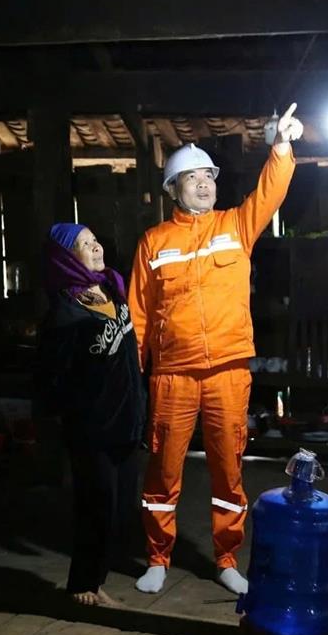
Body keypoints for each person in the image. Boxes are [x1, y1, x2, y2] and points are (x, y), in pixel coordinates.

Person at [128, 103, 304, 595]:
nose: (204, 184)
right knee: (163, 472)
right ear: (173, 189)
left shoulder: (236, 226)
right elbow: (138, 316)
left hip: (228, 370)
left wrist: (281, 147)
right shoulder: (153, 242)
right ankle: (157, 559)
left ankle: (227, 560)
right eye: (192, 178)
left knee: (229, 471)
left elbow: (270, 191)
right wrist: (131, 381)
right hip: (172, 375)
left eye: (209, 176)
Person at [36, 223, 145, 606]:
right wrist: (72, 421)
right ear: (66, 259)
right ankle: (83, 583)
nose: (96, 247)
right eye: (85, 244)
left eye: (96, 240)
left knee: (121, 510)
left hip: (126, 423)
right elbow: (54, 378)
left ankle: (98, 580)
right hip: (93, 430)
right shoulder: (65, 313)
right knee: (96, 508)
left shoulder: (112, 289)